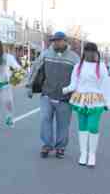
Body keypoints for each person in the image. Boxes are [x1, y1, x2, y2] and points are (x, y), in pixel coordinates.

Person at [26, 31, 80, 159]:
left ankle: (60, 147)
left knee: (63, 125)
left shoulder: (74, 58)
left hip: (65, 98)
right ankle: (47, 145)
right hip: (47, 95)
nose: (56, 43)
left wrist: (79, 95)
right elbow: (35, 69)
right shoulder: (46, 54)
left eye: (58, 40)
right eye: (54, 41)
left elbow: (79, 78)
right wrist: (30, 86)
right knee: (45, 120)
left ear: (65, 41)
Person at [63, 42, 109, 167]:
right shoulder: (78, 66)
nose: (89, 53)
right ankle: (83, 153)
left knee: (93, 127)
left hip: (96, 100)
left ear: (96, 53)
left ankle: (92, 154)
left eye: (91, 51)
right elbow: (74, 84)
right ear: (84, 52)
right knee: (82, 127)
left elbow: (105, 85)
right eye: (87, 51)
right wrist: (65, 89)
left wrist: (107, 102)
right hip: (81, 99)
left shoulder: (101, 67)